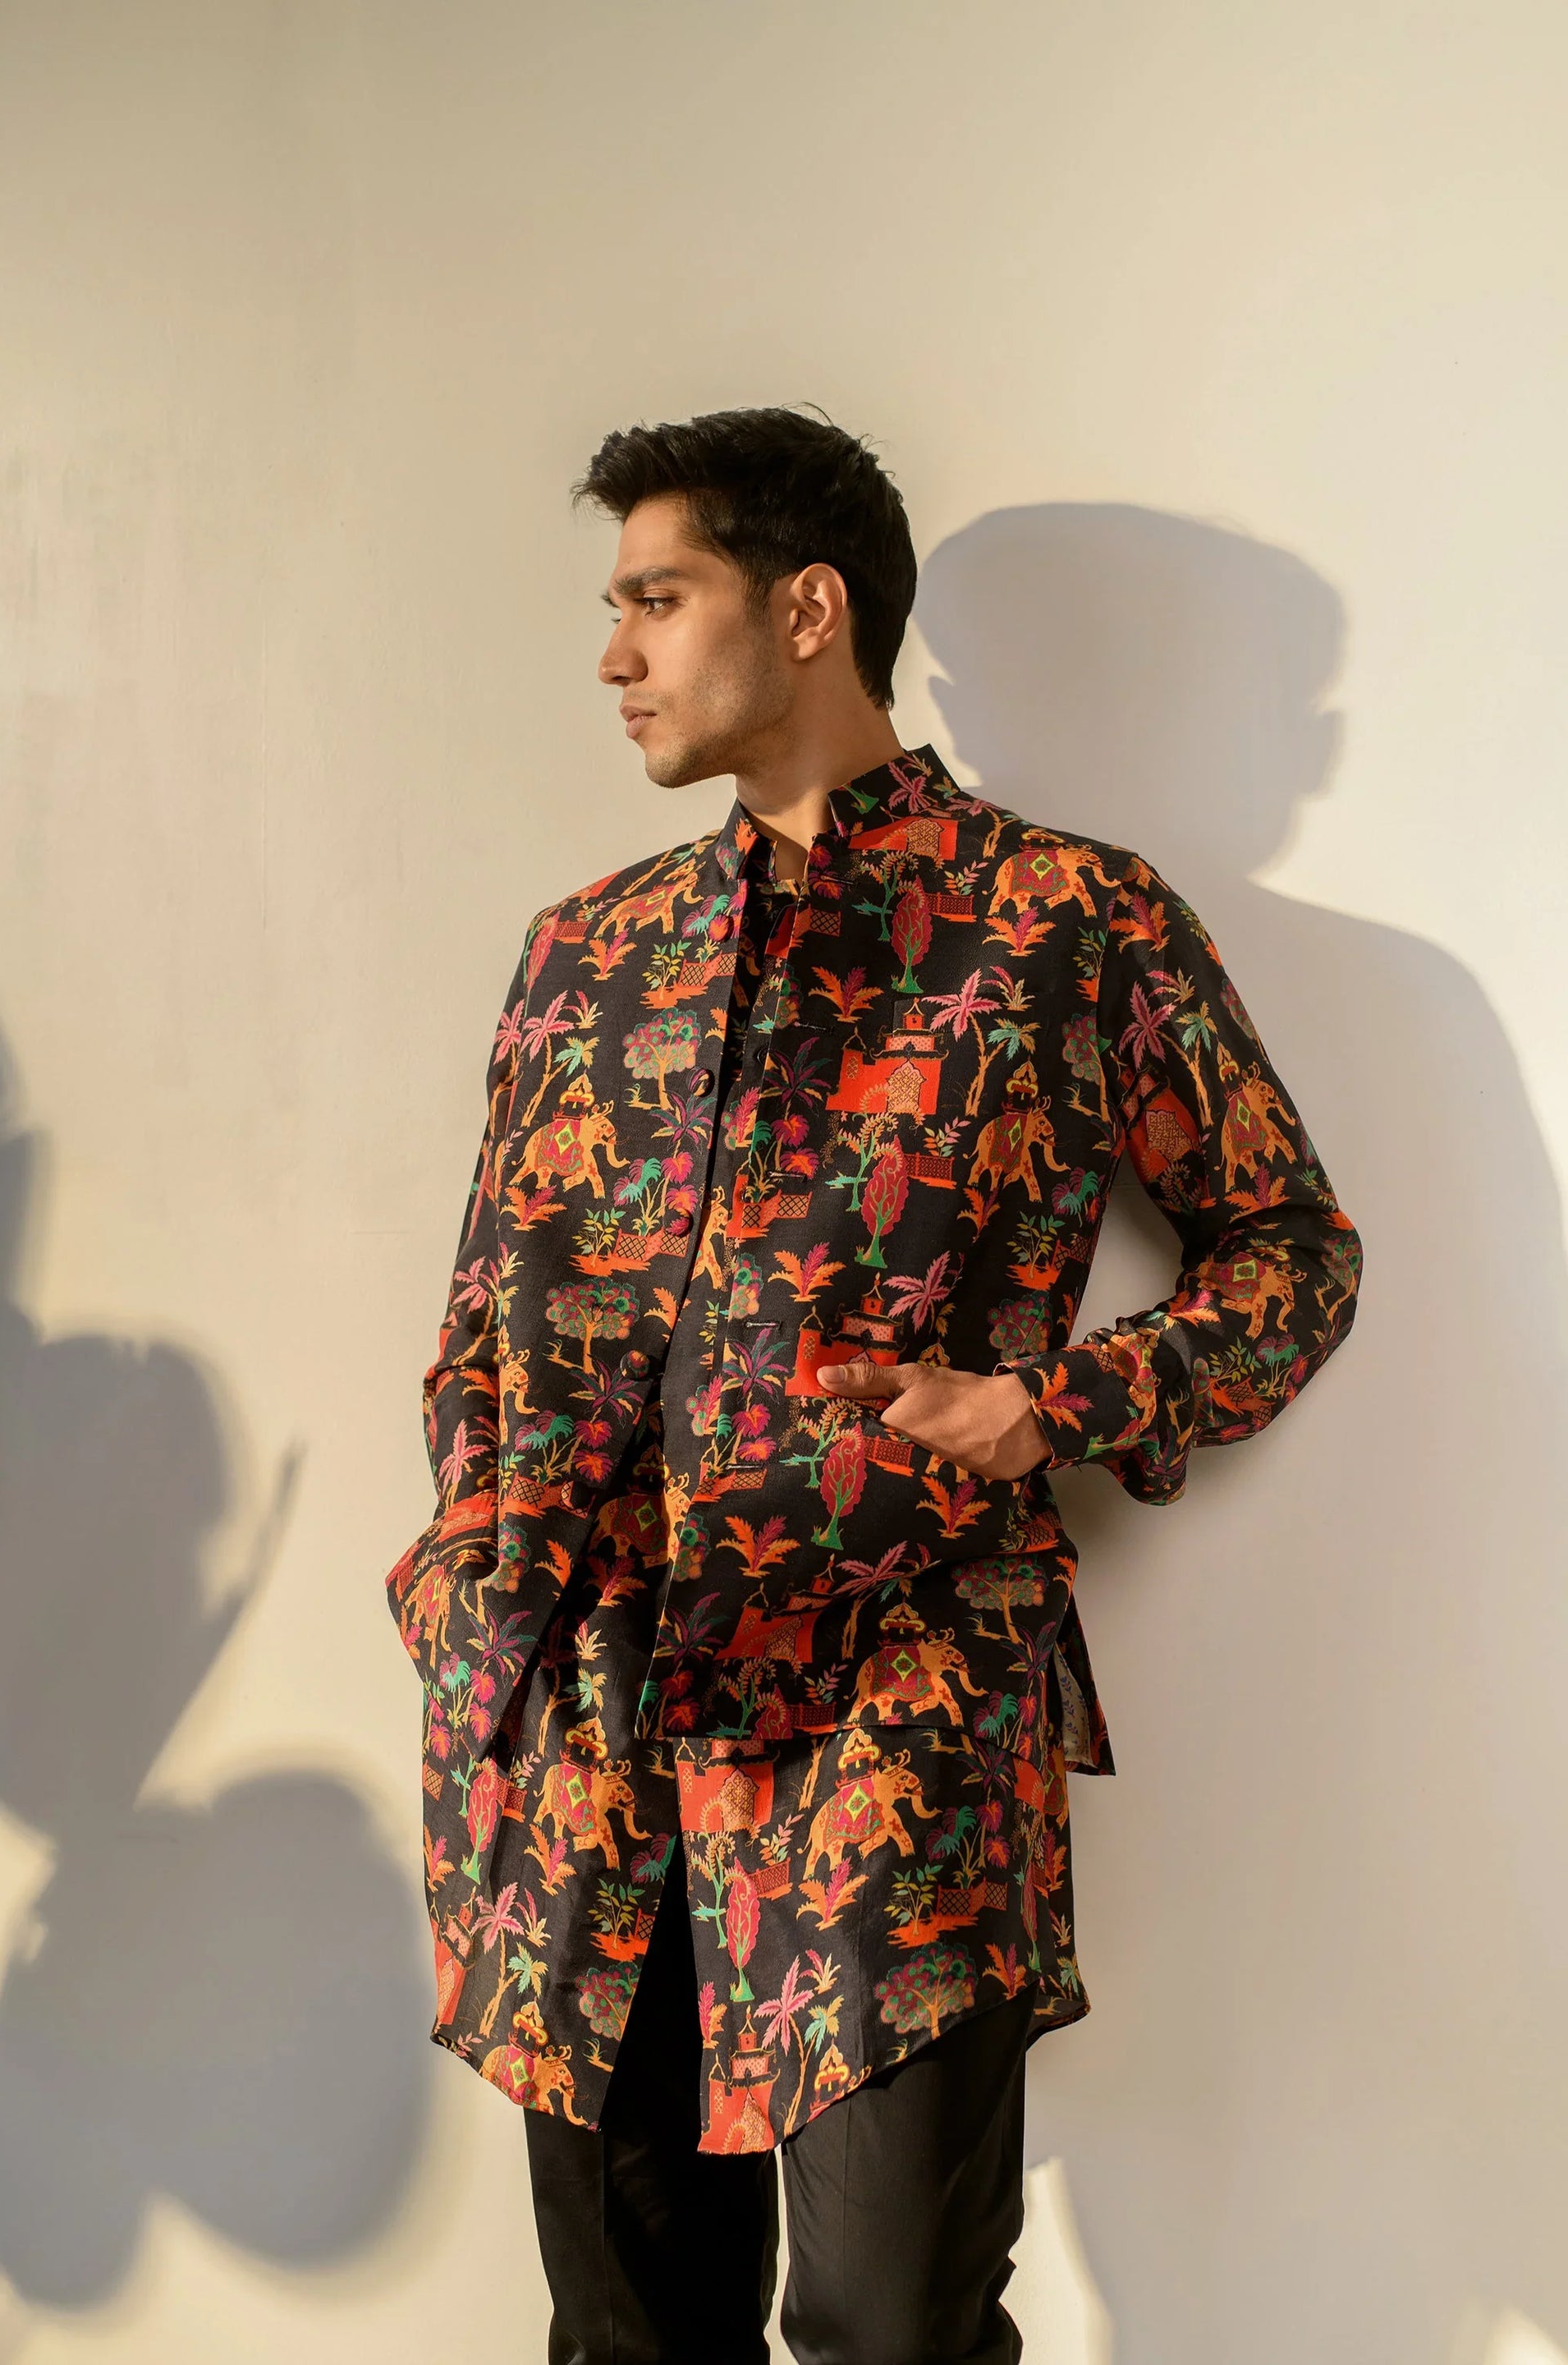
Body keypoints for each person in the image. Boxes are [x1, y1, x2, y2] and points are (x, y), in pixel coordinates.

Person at [384, 406, 1362, 2363]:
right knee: (627, 2333)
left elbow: (1291, 1253)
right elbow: (482, 1322)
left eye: (659, 598)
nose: (616, 655)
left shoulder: (1065, 923)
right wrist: (468, 1559)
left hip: (892, 1712)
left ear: (807, 609)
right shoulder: (586, 956)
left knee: (890, 2324)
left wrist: (1049, 1410)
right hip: (585, 1723)